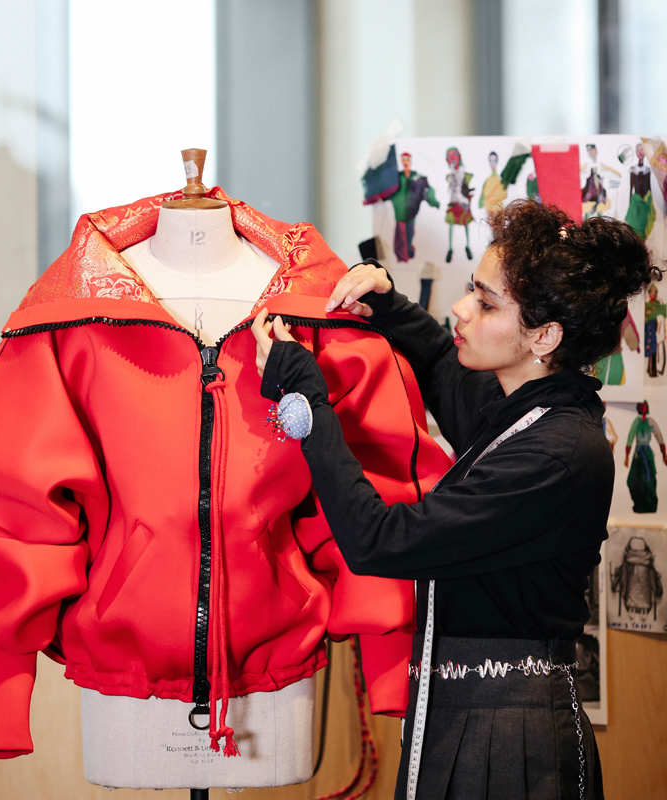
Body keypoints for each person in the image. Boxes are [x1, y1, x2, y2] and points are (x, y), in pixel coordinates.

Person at [251, 199, 654, 799]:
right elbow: (443, 363)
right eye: (472, 290)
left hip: (510, 736)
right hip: (462, 718)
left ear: (544, 335)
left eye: (487, 303)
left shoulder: (556, 454)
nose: (462, 311)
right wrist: (385, 303)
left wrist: (307, 403)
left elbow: (377, 541)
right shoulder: (525, 411)